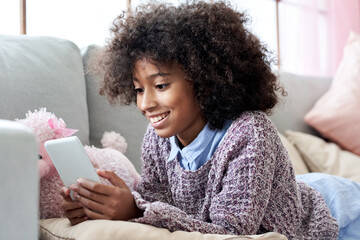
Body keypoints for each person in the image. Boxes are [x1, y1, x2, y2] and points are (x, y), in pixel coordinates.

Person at [61, 1, 360, 239]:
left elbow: (233, 234)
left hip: (335, 211)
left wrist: (135, 209)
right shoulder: (158, 138)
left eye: (161, 85)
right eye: (139, 90)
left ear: (204, 82)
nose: (146, 103)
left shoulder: (251, 133)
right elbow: (157, 203)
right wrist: (103, 206)